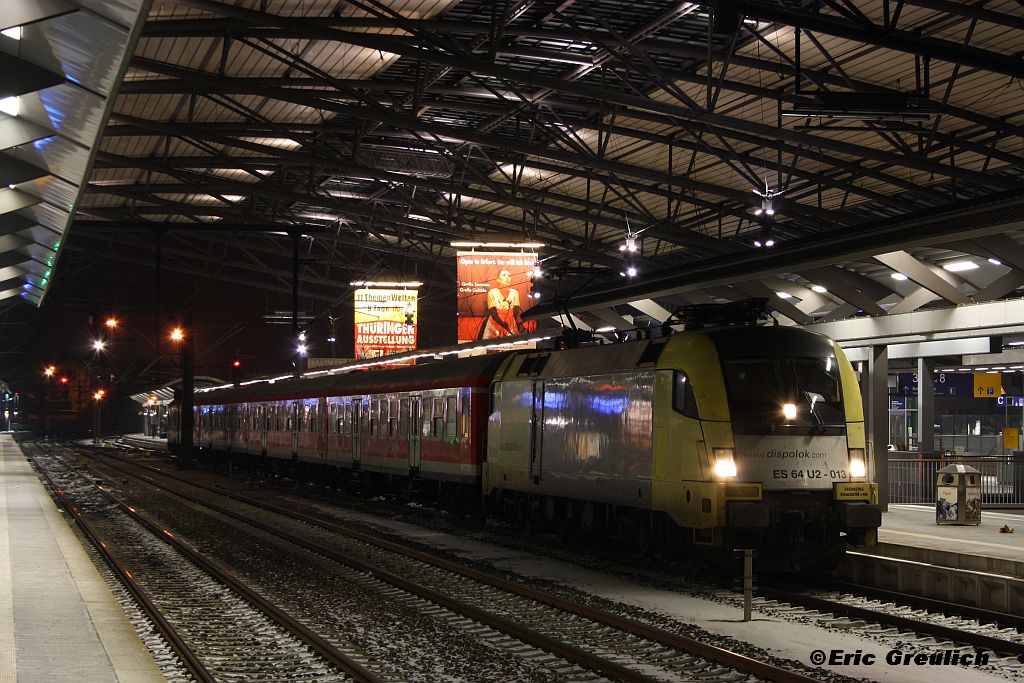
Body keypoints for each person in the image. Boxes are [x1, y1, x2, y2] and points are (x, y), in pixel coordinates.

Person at [477, 268, 524, 339]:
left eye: (509, 276)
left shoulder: (514, 292)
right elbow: (493, 313)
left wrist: (520, 326)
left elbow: (517, 311)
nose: (507, 278)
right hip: (494, 325)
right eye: (504, 275)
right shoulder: (492, 293)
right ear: (498, 279)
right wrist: (503, 325)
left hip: (510, 324)